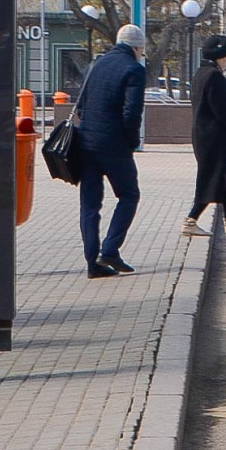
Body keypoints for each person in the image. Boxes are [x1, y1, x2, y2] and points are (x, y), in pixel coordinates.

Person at [73, 23, 148, 278]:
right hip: (114, 146)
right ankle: (110, 249)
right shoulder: (134, 70)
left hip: (86, 143)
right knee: (129, 195)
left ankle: (92, 262)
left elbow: (81, 105)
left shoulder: (97, 65)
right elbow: (132, 111)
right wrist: (130, 141)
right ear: (138, 47)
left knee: (90, 204)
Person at [184, 34, 226, 240]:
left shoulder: (200, 74)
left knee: (224, 179)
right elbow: (224, 111)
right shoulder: (214, 77)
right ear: (218, 56)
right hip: (215, 139)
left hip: (203, 137)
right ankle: (190, 220)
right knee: (212, 180)